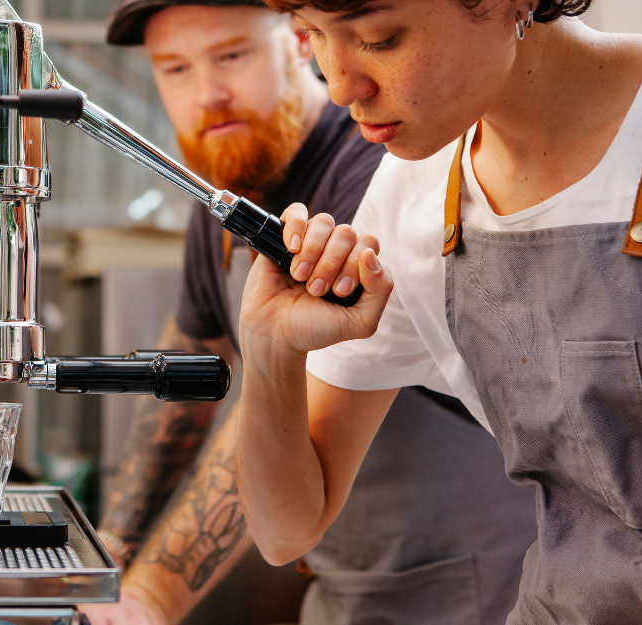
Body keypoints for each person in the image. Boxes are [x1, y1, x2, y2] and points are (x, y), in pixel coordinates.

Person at [232, 0, 642, 623]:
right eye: (313, 36)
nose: (340, 85)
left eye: (379, 39)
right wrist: (272, 349)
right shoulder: (417, 190)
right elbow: (285, 530)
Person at [85, 1, 537, 623]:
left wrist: (151, 596)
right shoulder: (222, 186)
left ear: (301, 41)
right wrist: (105, 557)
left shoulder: (380, 166)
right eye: (175, 69)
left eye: (231, 56)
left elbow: (275, 403)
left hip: (468, 587)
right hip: (341, 583)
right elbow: (181, 395)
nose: (208, 94)